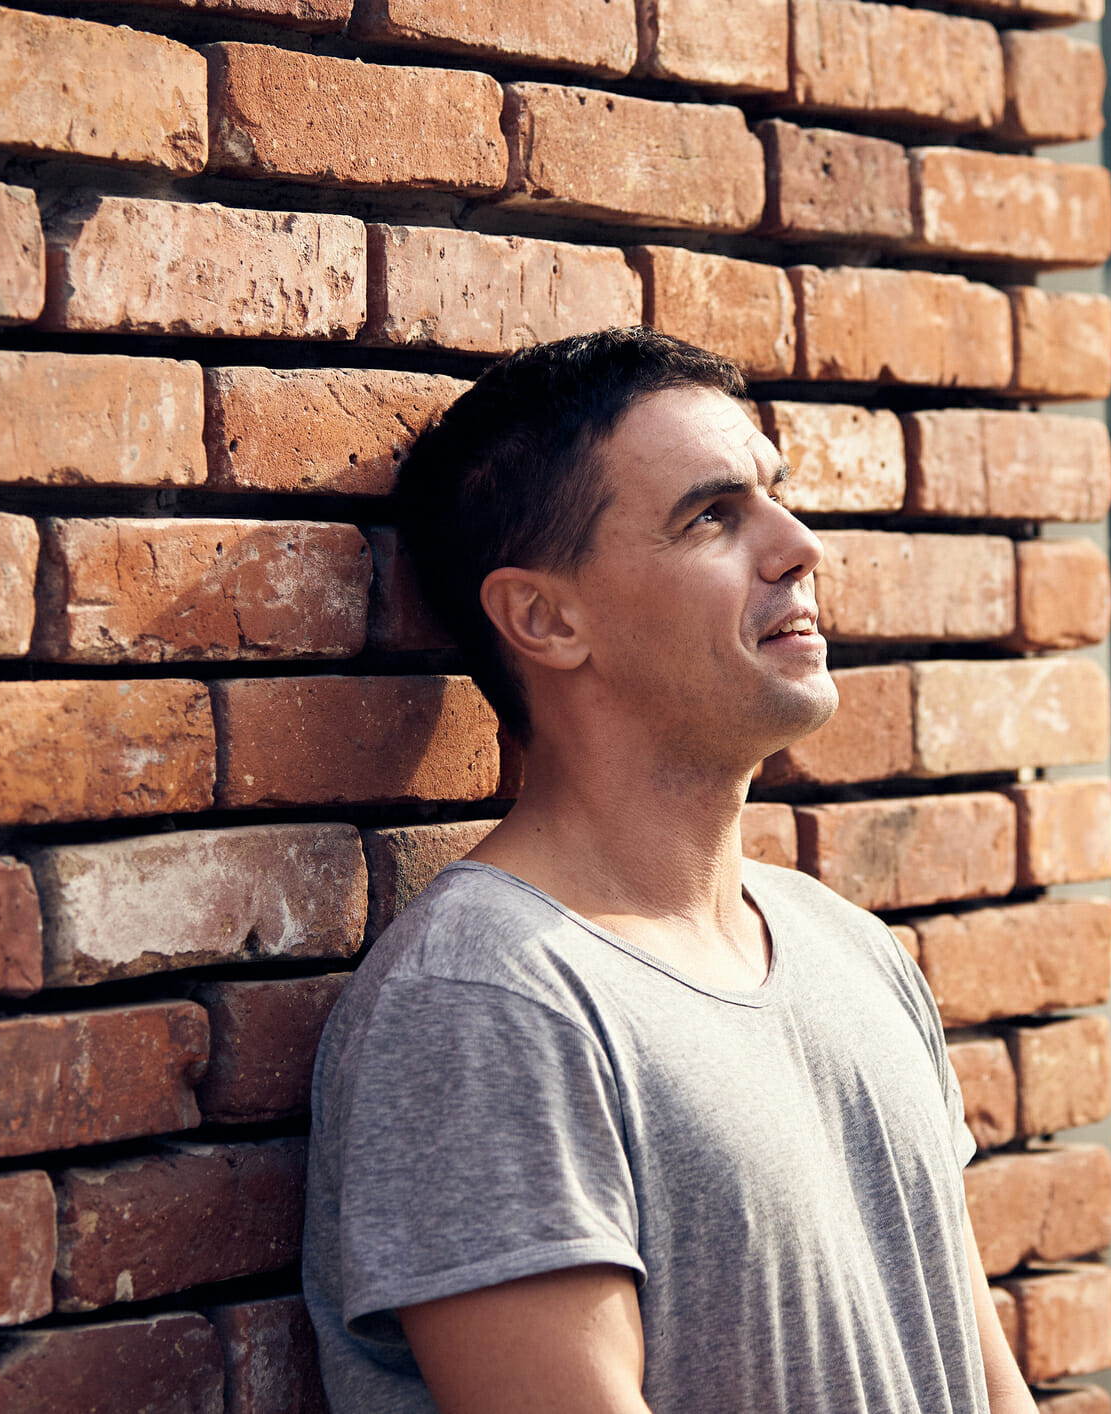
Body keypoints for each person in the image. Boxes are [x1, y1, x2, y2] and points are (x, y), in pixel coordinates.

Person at [300, 327, 1035, 1413]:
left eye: (775, 498)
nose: (798, 548)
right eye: (712, 517)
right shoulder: (489, 1000)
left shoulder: (850, 949)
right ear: (546, 618)